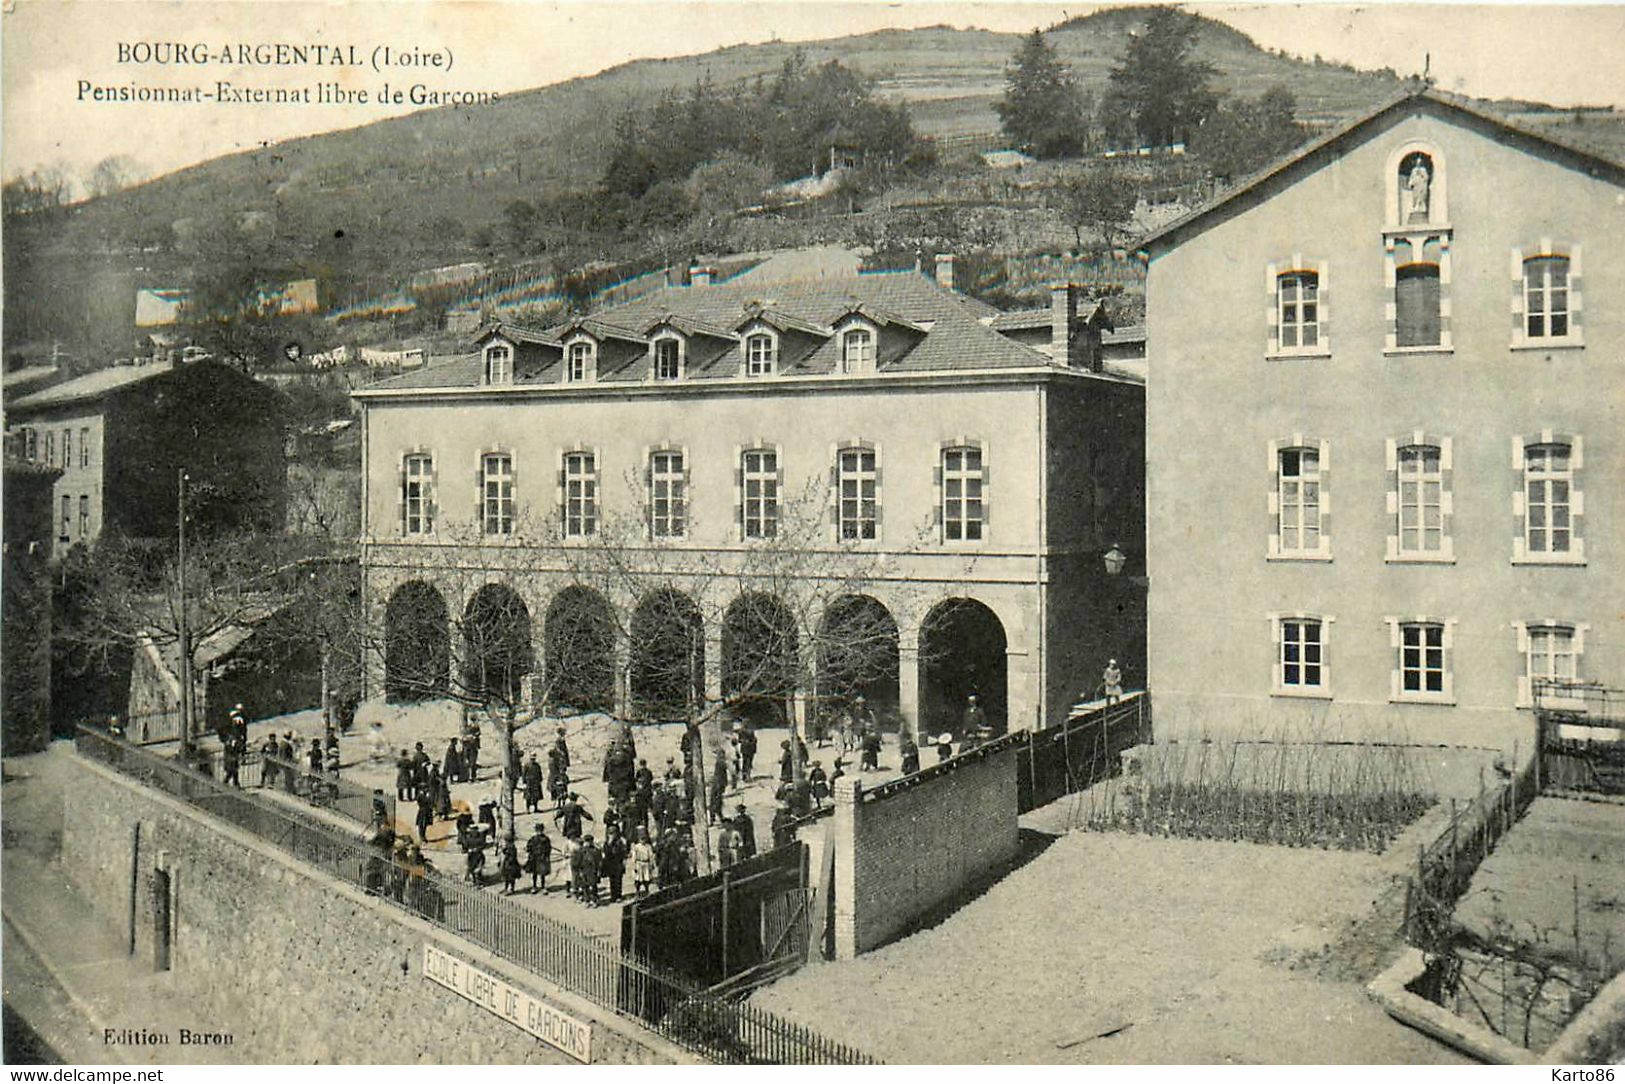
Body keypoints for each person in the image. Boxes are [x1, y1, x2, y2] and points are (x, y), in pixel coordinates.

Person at [600, 827, 629, 902]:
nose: (612, 835)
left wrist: (623, 862)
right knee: (612, 880)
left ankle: (618, 895)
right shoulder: (607, 843)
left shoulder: (620, 842)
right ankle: (613, 896)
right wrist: (609, 843)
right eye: (610, 834)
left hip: (618, 863)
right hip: (610, 864)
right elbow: (605, 852)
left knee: (618, 880)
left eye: (613, 833)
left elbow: (623, 852)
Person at [574, 835, 602, 906]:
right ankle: (587, 900)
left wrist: (599, 870)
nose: (587, 843)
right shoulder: (581, 851)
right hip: (584, 870)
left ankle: (594, 900)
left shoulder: (596, 850)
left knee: (593, 886)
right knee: (584, 886)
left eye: (589, 842)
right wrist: (579, 870)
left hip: (593, 870)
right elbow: (578, 861)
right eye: (586, 842)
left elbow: (599, 861)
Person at [525, 823, 552, 893]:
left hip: (542, 858)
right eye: (538, 830)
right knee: (534, 873)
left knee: (542, 873)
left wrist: (546, 855)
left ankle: (543, 887)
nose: (539, 832)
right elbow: (528, 847)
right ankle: (534, 886)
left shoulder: (546, 839)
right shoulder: (533, 839)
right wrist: (528, 850)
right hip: (534, 858)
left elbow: (549, 848)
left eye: (540, 830)